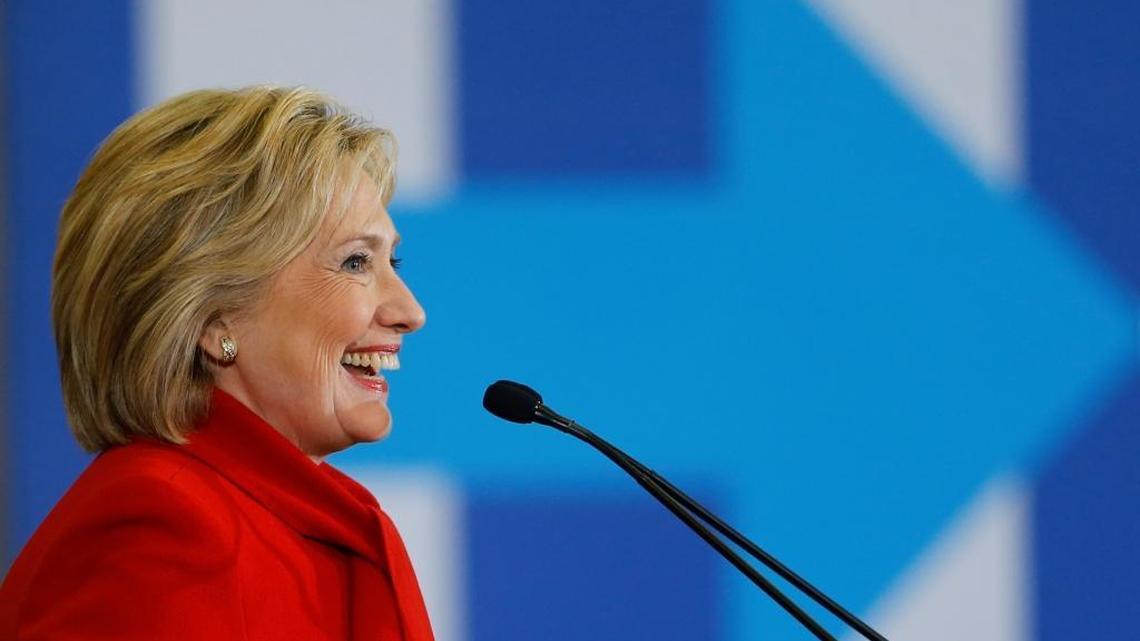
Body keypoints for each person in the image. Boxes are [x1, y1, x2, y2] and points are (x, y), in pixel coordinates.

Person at [0, 87, 432, 640]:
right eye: (355, 262)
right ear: (213, 319)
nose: (410, 312)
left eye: (392, 259)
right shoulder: (161, 528)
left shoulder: (290, 521)